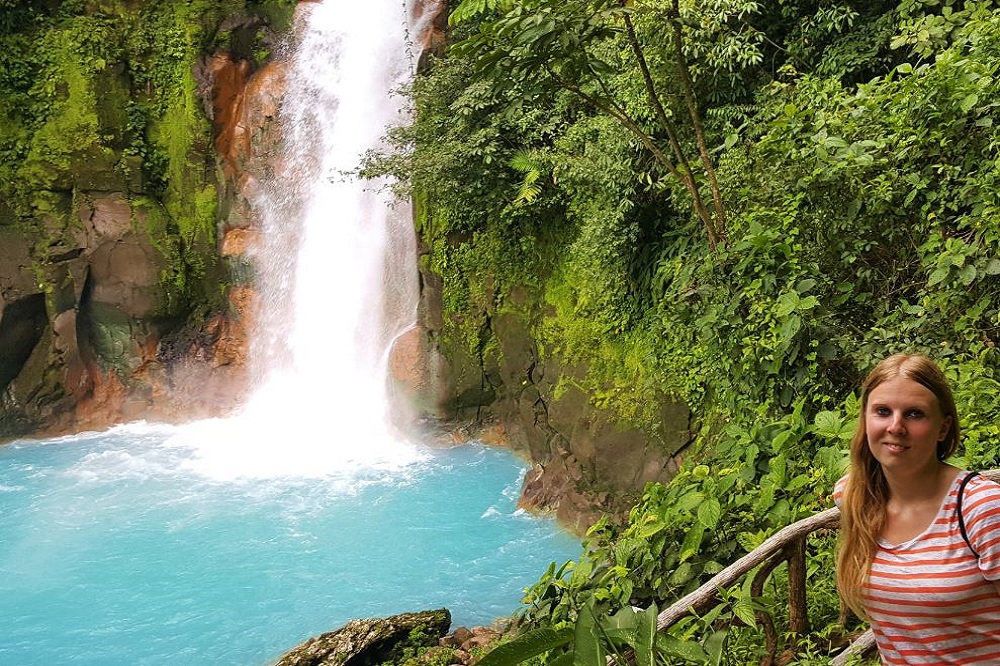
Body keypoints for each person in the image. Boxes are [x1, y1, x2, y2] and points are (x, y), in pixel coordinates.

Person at [834, 352, 1000, 664]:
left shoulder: (981, 508)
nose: (896, 426)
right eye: (883, 411)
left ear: (942, 428)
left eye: (914, 414)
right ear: (865, 419)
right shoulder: (855, 498)